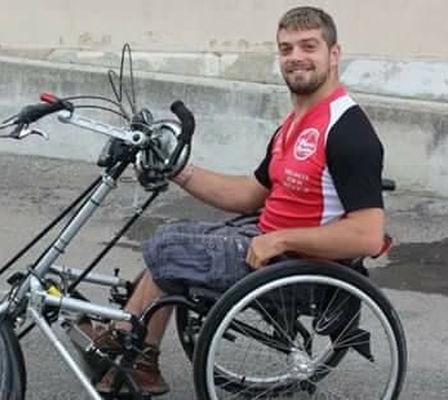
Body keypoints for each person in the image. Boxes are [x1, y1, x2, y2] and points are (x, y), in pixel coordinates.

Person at [88, 5, 386, 395]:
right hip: (267, 242)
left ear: (333, 55)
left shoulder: (347, 131)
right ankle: (141, 358)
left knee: (166, 245)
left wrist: (280, 240)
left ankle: (118, 338)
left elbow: (367, 235)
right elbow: (249, 194)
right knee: (176, 244)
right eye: (286, 48)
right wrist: (178, 169)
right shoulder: (295, 123)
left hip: (293, 267)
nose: (295, 56)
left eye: (308, 46)